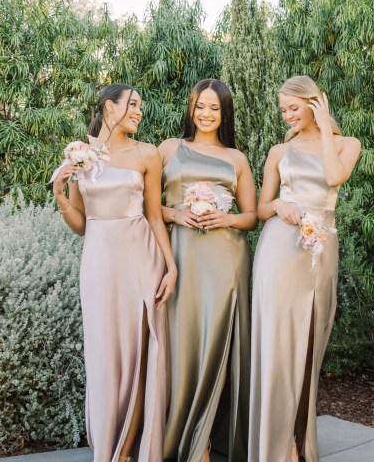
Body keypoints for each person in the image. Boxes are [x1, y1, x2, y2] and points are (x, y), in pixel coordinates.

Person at [54, 83, 179, 462]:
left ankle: (127, 451)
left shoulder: (148, 154)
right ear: (110, 108)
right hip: (99, 263)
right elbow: (82, 223)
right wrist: (60, 194)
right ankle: (109, 444)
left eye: (142, 106)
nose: (139, 112)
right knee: (105, 354)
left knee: (141, 353)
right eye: (132, 105)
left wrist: (171, 266)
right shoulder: (83, 155)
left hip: (140, 257)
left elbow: (155, 216)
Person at [248, 76, 361, 462]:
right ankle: (281, 446)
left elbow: (334, 177)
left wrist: (325, 126)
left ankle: (299, 435)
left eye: (293, 108)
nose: (286, 116)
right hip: (280, 248)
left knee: (312, 341)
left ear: (314, 103)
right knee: (279, 345)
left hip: (320, 249)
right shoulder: (279, 151)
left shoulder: (348, 144)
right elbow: (261, 209)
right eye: (283, 110)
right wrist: (279, 206)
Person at [158, 79, 257, 462]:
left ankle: (205, 442)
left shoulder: (237, 159)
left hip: (225, 257)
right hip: (181, 258)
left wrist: (225, 218)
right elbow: (149, 205)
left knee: (217, 341)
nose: (206, 114)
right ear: (191, 108)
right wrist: (175, 213)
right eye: (201, 106)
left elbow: (251, 217)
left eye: (215, 108)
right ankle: (179, 432)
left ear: (224, 112)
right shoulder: (168, 149)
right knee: (184, 342)